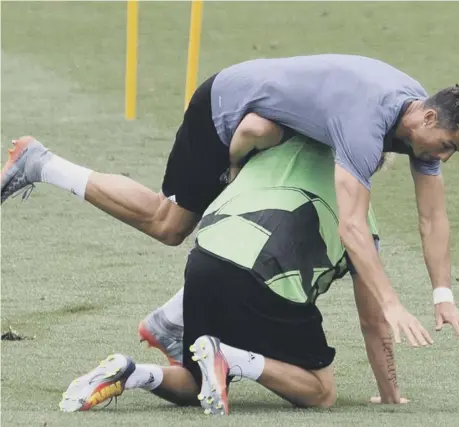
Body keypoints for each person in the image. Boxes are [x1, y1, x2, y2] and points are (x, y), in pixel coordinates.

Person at [1, 54, 459, 346]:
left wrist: (442, 296)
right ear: (427, 119)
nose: (443, 159)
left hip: (283, 125)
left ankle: (171, 321)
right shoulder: (367, 125)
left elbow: (433, 217)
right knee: (167, 224)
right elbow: (353, 228)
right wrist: (392, 304)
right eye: (447, 146)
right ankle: (39, 162)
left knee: (289, 218)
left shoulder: (419, 122)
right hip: (228, 107)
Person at [60, 136, 405, 416]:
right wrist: (390, 394)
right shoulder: (362, 224)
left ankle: (132, 372)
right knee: (321, 391)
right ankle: (234, 360)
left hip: (204, 259)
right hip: (265, 281)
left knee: (196, 383)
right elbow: (373, 323)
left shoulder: (275, 149)